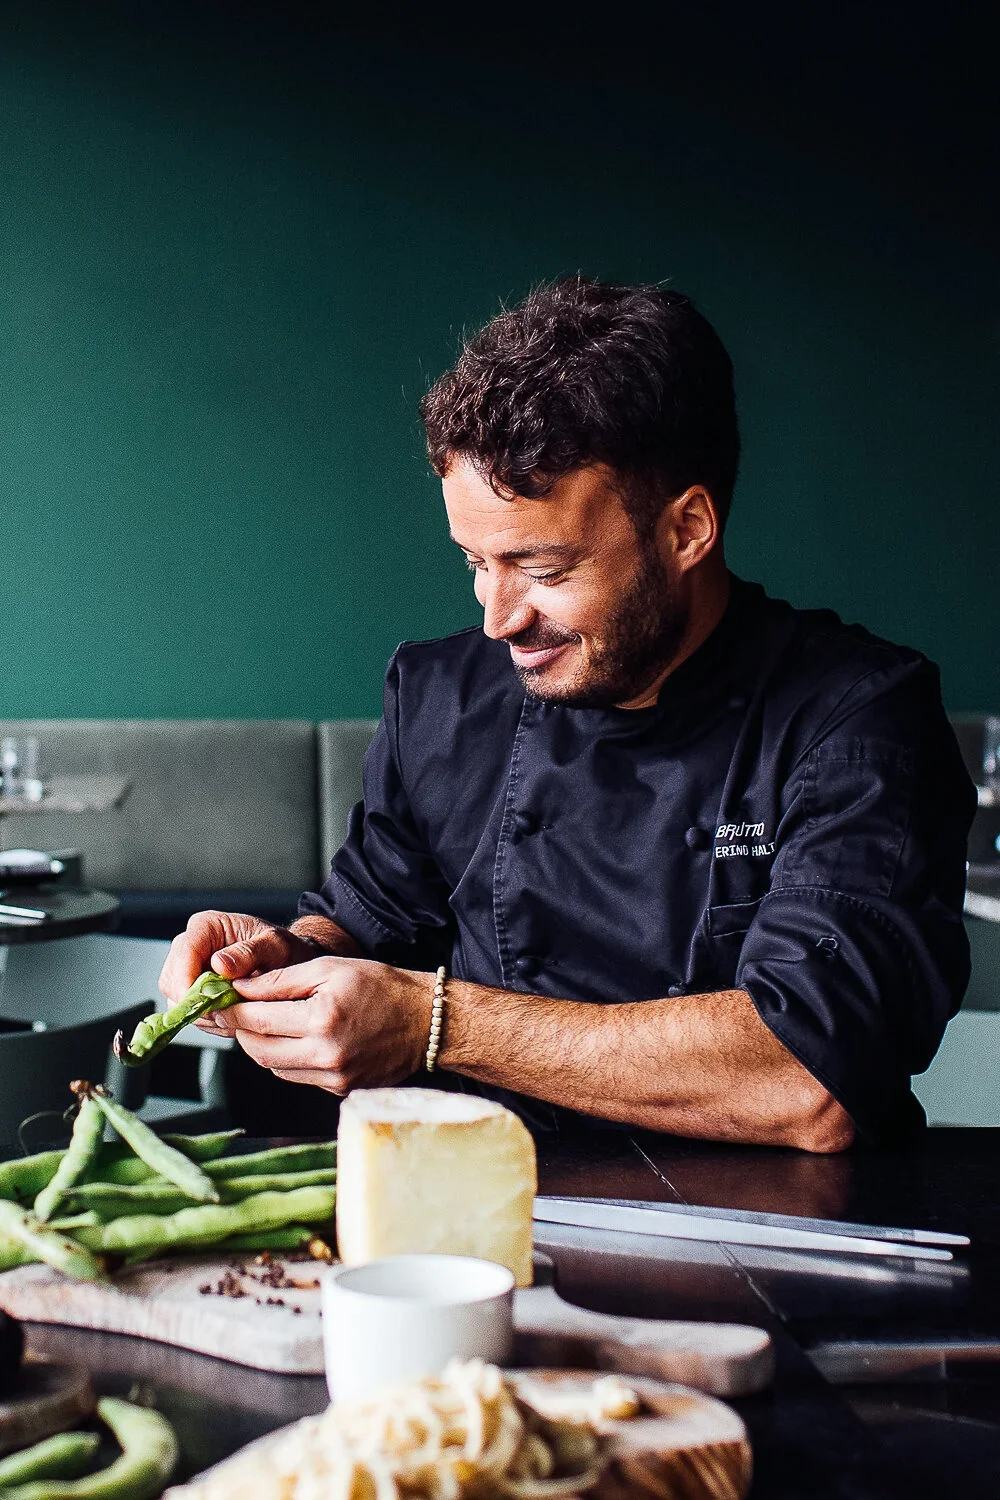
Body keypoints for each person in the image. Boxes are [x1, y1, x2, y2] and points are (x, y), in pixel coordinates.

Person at [160, 277, 975, 1151]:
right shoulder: (442, 696)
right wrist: (278, 960)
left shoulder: (856, 721)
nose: (497, 617)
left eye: (542, 571)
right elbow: (370, 922)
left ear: (687, 528)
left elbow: (810, 1078)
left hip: (777, 1245)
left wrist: (438, 1024)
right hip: (485, 1216)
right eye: (475, 561)